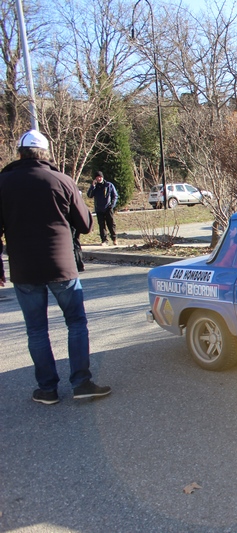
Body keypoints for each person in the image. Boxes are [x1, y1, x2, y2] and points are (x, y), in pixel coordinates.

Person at [0, 129, 111, 405]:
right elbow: (85, 224)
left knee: (36, 329)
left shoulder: (3, 183)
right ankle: (81, 383)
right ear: (46, 154)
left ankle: (47, 389)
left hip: (24, 268)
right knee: (76, 322)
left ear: (19, 153)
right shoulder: (61, 180)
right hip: (62, 265)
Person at [87, 170, 118, 246]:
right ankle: (104, 240)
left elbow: (115, 196)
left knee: (111, 224)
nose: (99, 179)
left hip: (108, 208)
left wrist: (112, 205)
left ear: (102, 177)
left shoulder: (109, 185)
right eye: (97, 177)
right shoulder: (95, 187)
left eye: (100, 177)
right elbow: (89, 195)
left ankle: (114, 239)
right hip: (99, 209)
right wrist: (92, 186)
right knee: (101, 225)